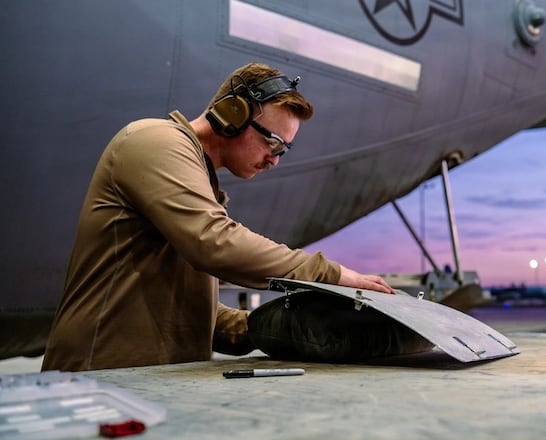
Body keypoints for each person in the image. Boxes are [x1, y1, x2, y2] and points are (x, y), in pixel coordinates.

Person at [42, 63, 394, 372]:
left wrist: (277, 326)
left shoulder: (198, 183)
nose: (275, 160)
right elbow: (213, 242)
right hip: (97, 377)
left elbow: (191, 314)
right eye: (272, 143)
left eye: (284, 150)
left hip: (147, 383)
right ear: (232, 114)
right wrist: (331, 274)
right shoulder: (154, 141)